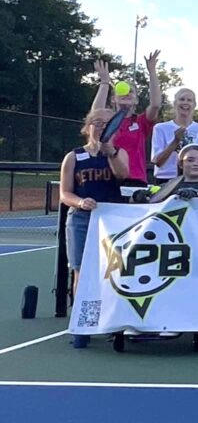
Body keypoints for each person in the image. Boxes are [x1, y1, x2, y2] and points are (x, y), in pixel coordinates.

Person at [59, 108, 130, 348]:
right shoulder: (74, 157)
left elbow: (123, 175)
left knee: (114, 271)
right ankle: (82, 325)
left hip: (112, 221)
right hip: (81, 219)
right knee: (81, 271)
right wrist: (80, 201)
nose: (100, 127)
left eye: (106, 124)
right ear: (87, 126)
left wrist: (110, 154)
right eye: (96, 123)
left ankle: (113, 321)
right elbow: (64, 193)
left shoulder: (119, 154)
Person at [91, 52, 163, 186]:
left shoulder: (140, 122)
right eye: (123, 91)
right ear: (113, 99)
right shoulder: (108, 122)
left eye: (131, 91)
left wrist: (152, 72)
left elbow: (156, 105)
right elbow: (95, 114)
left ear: (136, 100)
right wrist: (105, 82)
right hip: (108, 178)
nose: (127, 93)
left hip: (135, 181)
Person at [151, 88, 198, 184]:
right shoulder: (160, 128)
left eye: (189, 100)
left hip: (193, 180)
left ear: (195, 105)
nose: (185, 103)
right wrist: (175, 141)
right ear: (174, 103)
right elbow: (157, 162)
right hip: (166, 179)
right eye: (182, 99)